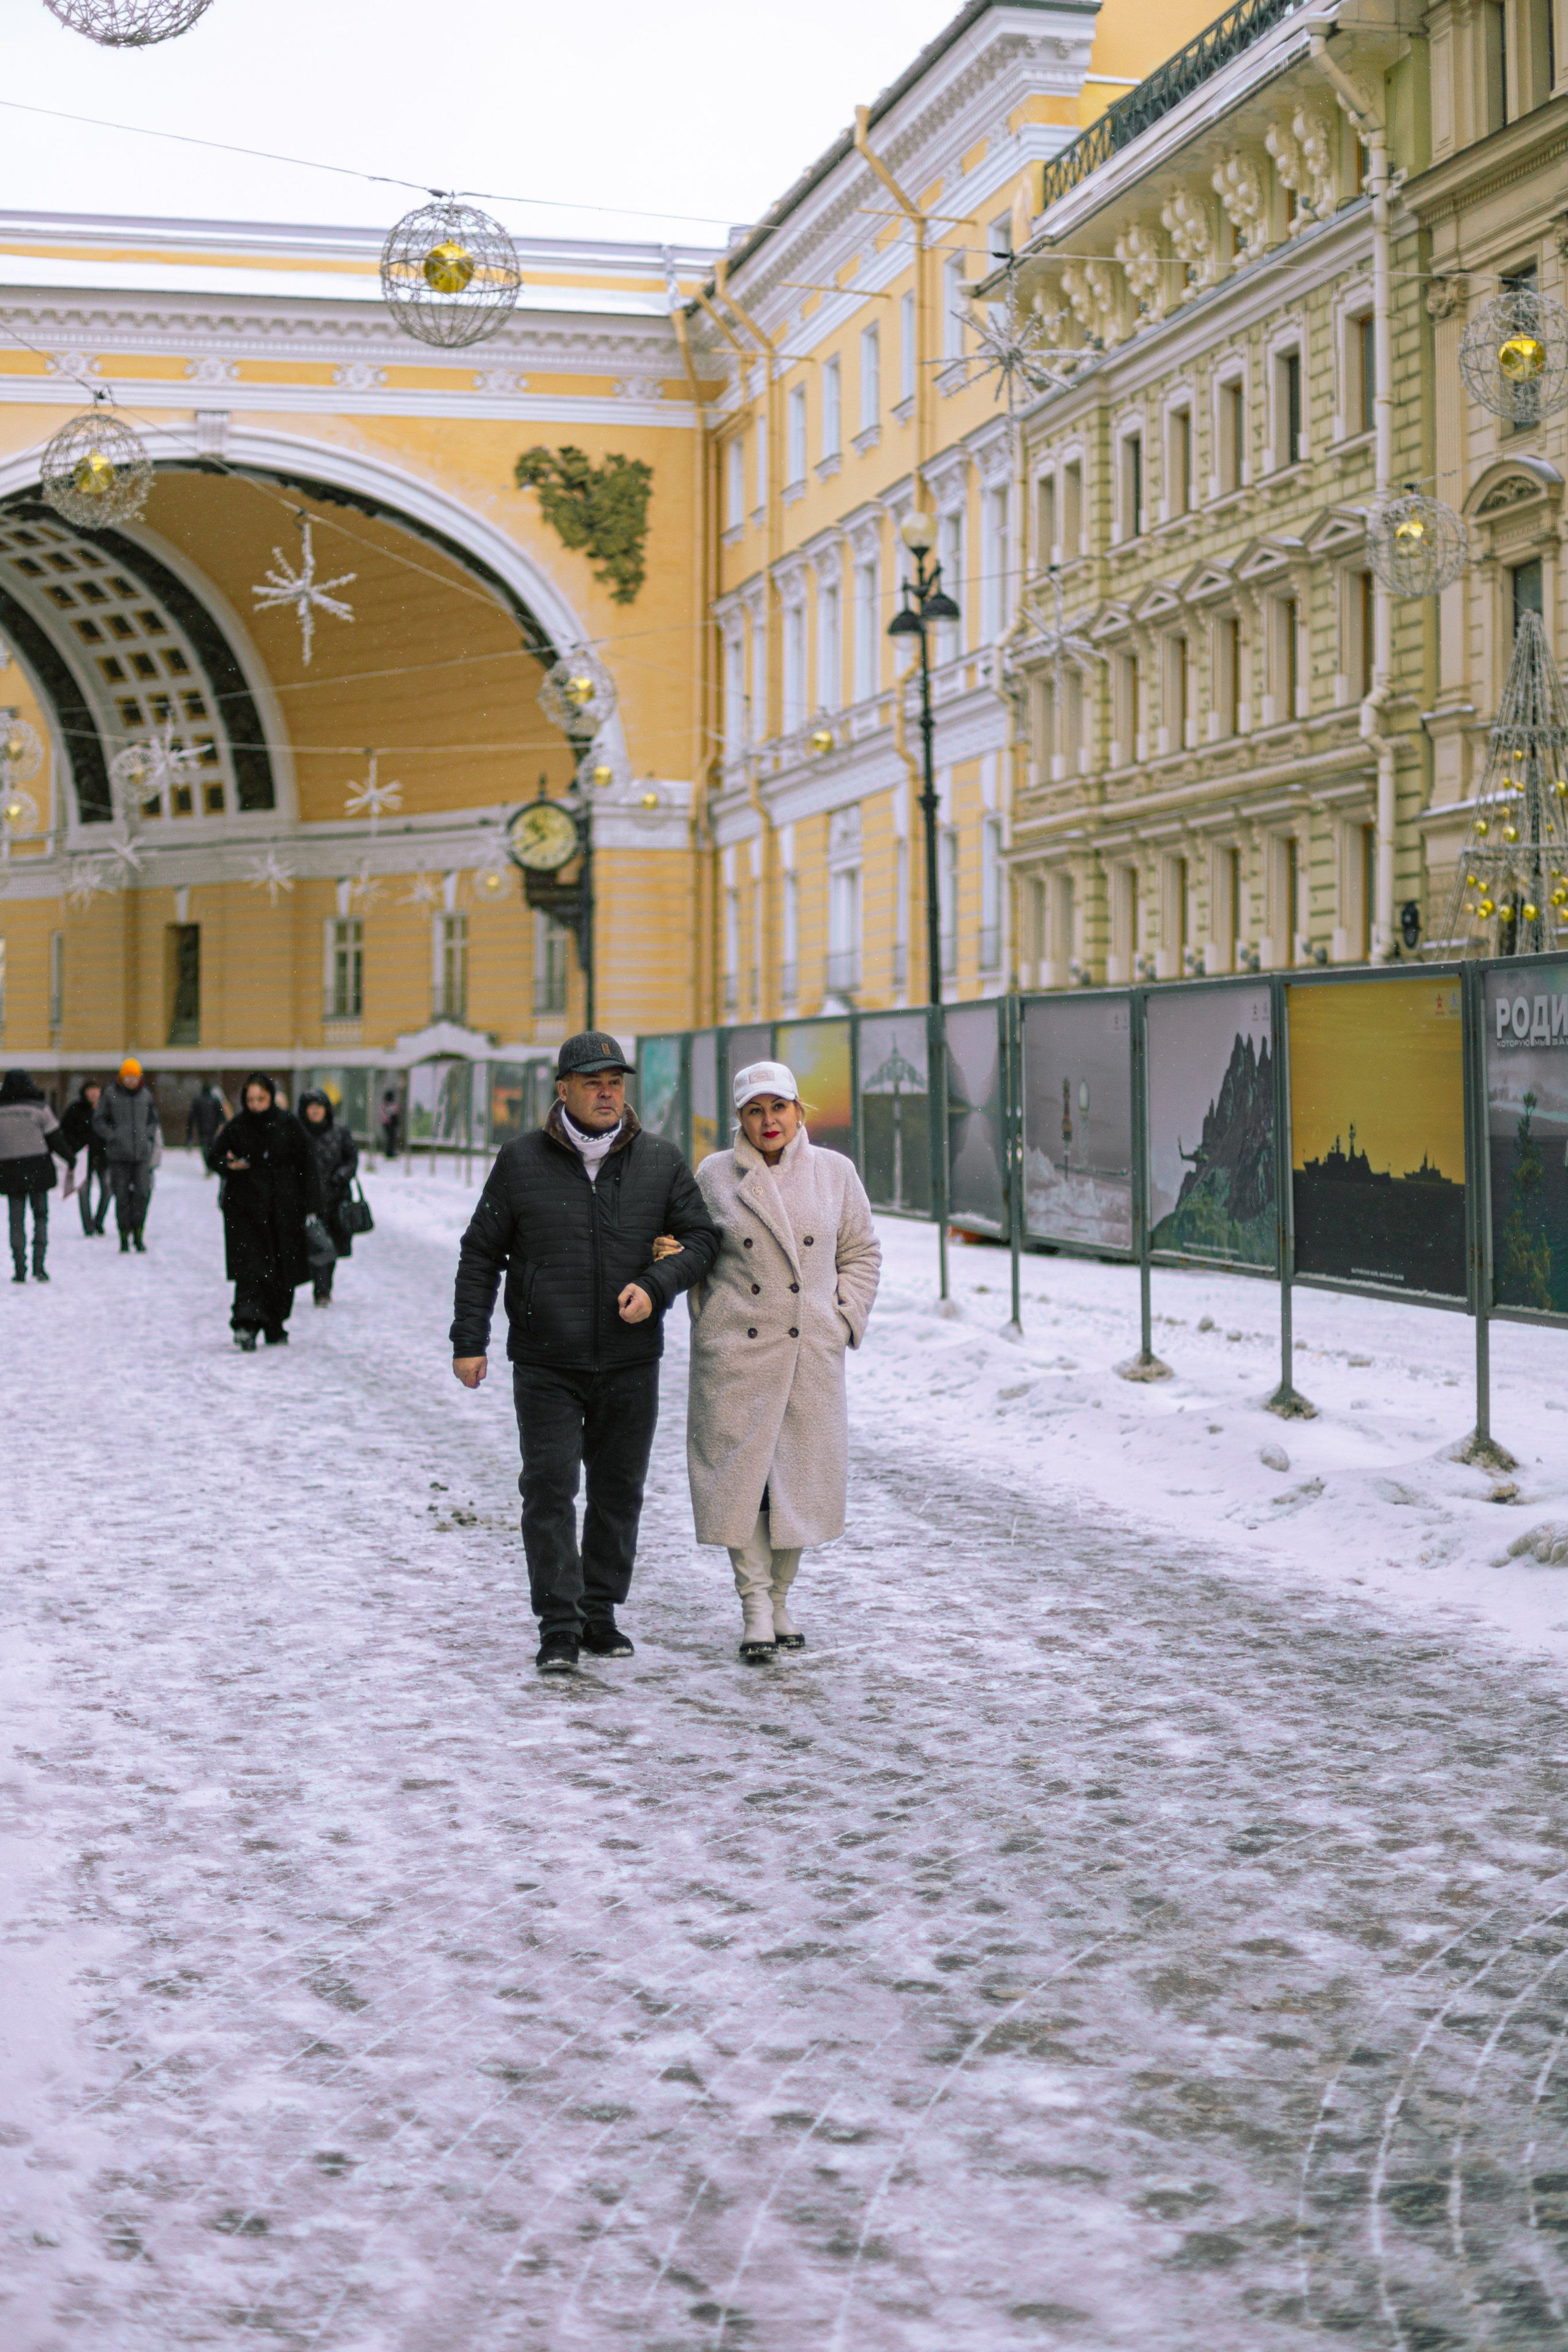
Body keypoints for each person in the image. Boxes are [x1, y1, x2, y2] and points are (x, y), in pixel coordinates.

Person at [450, 1030, 719, 1677]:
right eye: (593, 1082)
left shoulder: (659, 1160)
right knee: (548, 1490)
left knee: (617, 1491)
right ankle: (559, 1624)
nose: (607, 1092)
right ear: (563, 1089)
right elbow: (481, 1251)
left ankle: (600, 1612)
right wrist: (469, 1340)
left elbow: (702, 1240)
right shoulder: (520, 1161)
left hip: (629, 1359)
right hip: (546, 1359)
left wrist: (655, 1288)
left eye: (616, 1082)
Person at [686, 1061, 881, 1662]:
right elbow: (695, 1255)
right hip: (739, 1353)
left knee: (797, 1482)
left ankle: (781, 1600)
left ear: (799, 1112)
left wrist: (841, 1318)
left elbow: (862, 1251)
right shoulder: (713, 1175)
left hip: (807, 1352)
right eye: (754, 1110)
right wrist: (711, 1327)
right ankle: (754, 1606)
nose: (768, 1121)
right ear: (739, 1119)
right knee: (746, 1485)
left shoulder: (835, 1174)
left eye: (778, 1107)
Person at [208, 1073, 318, 1349]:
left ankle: (275, 1323)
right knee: (250, 1270)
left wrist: (311, 1204)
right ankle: (246, 1323)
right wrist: (228, 1165)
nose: (256, 1105)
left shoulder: (288, 1124)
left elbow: (308, 1164)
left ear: (271, 1097)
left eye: (261, 1099)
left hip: (284, 1210)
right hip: (246, 1209)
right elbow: (214, 1155)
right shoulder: (238, 1126)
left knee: (282, 1270)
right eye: (251, 1100)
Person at [0, 1069, 74, 1283]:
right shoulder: (41, 1109)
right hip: (38, 1169)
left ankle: (19, 1268)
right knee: (40, 1217)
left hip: (9, 1172)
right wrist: (71, 1158)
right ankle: (39, 1266)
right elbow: (56, 1139)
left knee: (16, 1221)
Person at [92, 1057, 162, 1253]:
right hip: (118, 1156)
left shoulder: (146, 1095)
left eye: (134, 1076)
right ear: (121, 1077)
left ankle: (138, 1234)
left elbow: (153, 1120)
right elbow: (99, 1120)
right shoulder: (110, 1094)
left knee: (142, 1194)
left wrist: (147, 1134)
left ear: (139, 1078)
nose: (131, 1080)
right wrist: (113, 1136)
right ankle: (124, 1236)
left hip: (141, 1156)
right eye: (127, 1076)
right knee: (121, 1197)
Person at [297, 1087, 359, 1305]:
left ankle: (324, 1287)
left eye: (319, 1107)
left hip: (336, 1199)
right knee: (316, 1245)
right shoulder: (298, 1133)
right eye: (311, 1108)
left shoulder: (340, 1132)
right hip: (309, 1201)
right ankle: (321, 1288)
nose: (315, 1112)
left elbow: (352, 1160)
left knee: (332, 1246)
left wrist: (340, 1176)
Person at [58, 1078, 109, 1235]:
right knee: (83, 1191)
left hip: (104, 1156)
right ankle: (88, 1226)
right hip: (82, 1157)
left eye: (96, 1090)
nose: (93, 1094)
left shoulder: (107, 1109)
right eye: (90, 1090)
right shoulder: (75, 1109)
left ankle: (99, 1221)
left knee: (107, 1189)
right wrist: (74, 1149)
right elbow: (65, 1131)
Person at [186, 1080, 227, 1173]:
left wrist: (190, 1132)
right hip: (213, 1128)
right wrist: (221, 1125)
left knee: (206, 1148)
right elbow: (221, 1115)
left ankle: (209, 1166)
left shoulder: (198, 1100)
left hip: (203, 1129)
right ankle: (212, 1166)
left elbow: (191, 1117)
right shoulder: (214, 1099)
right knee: (212, 1147)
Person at [379, 1087, 402, 1161]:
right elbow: (398, 1113)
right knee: (391, 1138)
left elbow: (383, 1114)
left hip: (387, 1123)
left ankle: (389, 1152)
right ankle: (390, 1152)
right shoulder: (394, 1105)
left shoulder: (384, 1104)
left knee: (389, 1138)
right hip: (391, 1123)